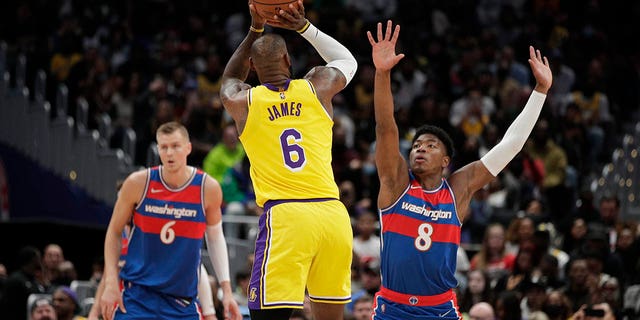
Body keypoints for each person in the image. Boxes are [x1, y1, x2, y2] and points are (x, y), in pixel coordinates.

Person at [367, 20, 552, 319]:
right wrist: (382, 73)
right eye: (416, 145)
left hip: (440, 309)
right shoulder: (397, 183)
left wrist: (540, 91)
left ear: (445, 161)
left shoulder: (457, 190)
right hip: (393, 308)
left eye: (430, 145)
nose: (420, 149)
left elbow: (510, 146)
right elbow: (385, 127)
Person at [219, 0, 358, 319]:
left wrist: (255, 28)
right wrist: (304, 27)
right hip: (332, 216)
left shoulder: (245, 100)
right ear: (287, 59)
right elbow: (345, 59)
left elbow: (227, 80)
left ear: (252, 68)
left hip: (287, 215)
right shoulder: (317, 86)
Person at [99, 121, 241, 320]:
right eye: (164, 147)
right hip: (138, 298)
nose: (169, 153)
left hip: (181, 303)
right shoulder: (138, 183)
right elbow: (114, 232)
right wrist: (112, 284)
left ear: (188, 148)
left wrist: (226, 291)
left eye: (175, 146)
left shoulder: (207, 188)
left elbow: (216, 239)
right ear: (158, 149)